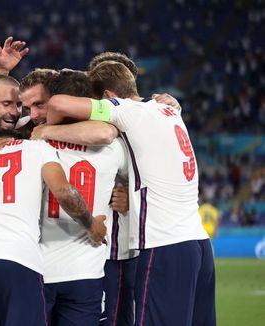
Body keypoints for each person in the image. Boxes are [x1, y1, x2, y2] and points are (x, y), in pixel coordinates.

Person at [46, 61, 215, 326]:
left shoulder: (125, 109)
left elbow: (57, 104)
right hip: (198, 243)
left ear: (108, 96)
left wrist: (45, 131)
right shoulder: (166, 110)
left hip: (165, 245)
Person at [0, 74, 107, 326]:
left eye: (18, 105)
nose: (15, 111)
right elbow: (65, 192)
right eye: (7, 104)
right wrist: (91, 225)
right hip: (20, 260)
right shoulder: (38, 149)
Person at [39, 69, 129, 326]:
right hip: (86, 270)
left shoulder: (35, 142)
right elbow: (141, 186)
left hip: (37, 267)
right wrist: (128, 200)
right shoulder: (114, 147)